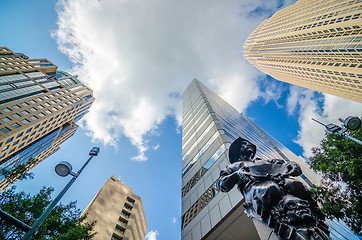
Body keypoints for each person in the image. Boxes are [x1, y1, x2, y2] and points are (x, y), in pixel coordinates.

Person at [218, 137, 318, 221]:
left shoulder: (264, 161)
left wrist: (292, 165)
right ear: (237, 151)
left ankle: (314, 211)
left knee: (297, 185)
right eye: (244, 144)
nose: (248, 145)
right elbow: (222, 185)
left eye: (249, 144)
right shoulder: (234, 166)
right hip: (254, 188)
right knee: (271, 189)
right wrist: (237, 174)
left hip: (279, 180)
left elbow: (283, 166)